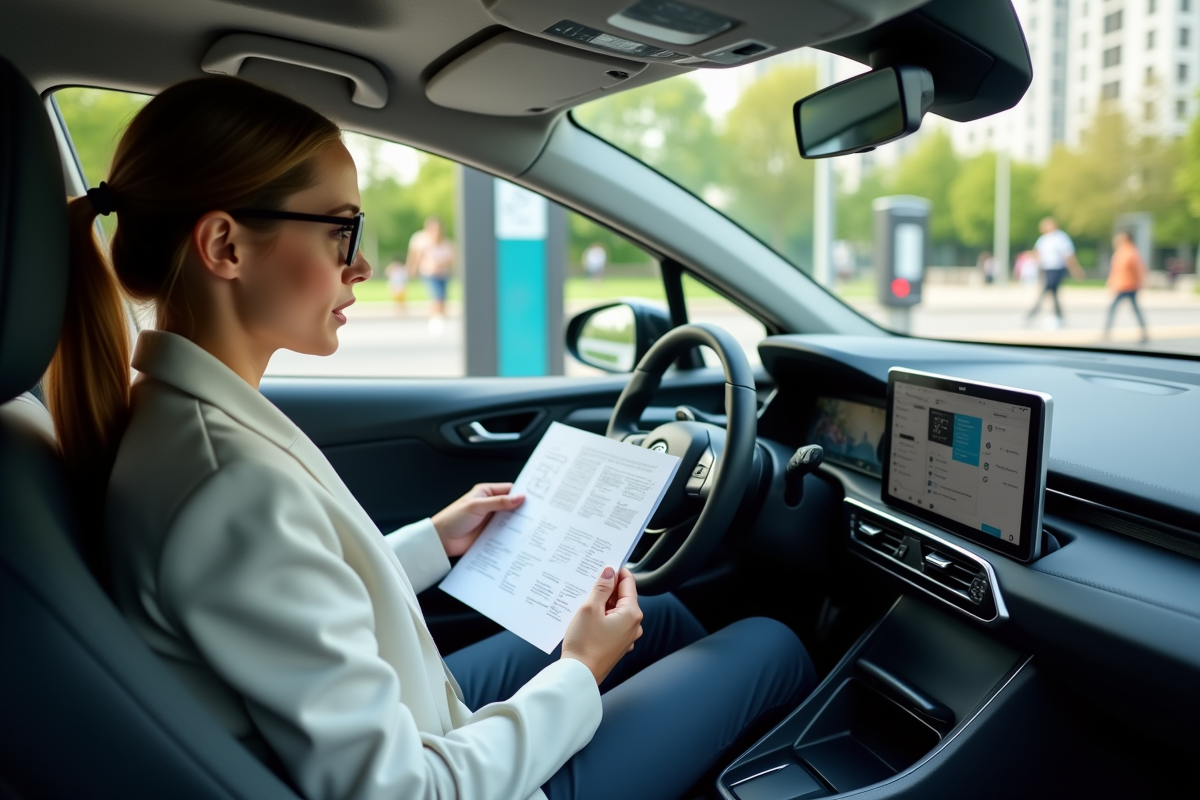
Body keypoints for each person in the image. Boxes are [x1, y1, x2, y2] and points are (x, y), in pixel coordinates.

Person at [45, 76, 813, 800]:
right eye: (341, 231)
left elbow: (291, 591)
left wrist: (431, 542)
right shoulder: (227, 484)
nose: (365, 265)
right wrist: (580, 668)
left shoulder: (178, 421)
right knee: (771, 647)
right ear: (226, 247)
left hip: (418, 719)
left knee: (666, 621)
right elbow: (403, 789)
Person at [1026, 217, 1085, 328]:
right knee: (1053, 293)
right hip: (1046, 269)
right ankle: (1058, 317)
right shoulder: (1043, 239)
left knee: (1047, 289)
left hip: (1057, 269)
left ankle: (1032, 314)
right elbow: (1038, 253)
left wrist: (1075, 269)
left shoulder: (1061, 238)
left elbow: (1068, 255)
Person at [407, 216, 455, 334]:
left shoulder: (446, 243)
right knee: (436, 297)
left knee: (442, 298)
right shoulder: (421, 240)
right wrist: (412, 269)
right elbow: (415, 256)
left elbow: (451, 259)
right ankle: (434, 322)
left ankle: (439, 319)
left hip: (443, 274)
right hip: (429, 273)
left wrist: (442, 264)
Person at [1104, 229, 1150, 343]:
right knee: (1132, 309)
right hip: (1121, 285)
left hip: (1129, 286)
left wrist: (1142, 282)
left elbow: (1139, 269)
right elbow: (1116, 269)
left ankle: (1107, 332)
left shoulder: (1131, 251)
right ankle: (1144, 333)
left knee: (1115, 309)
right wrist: (1111, 281)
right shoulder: (1121, 251)